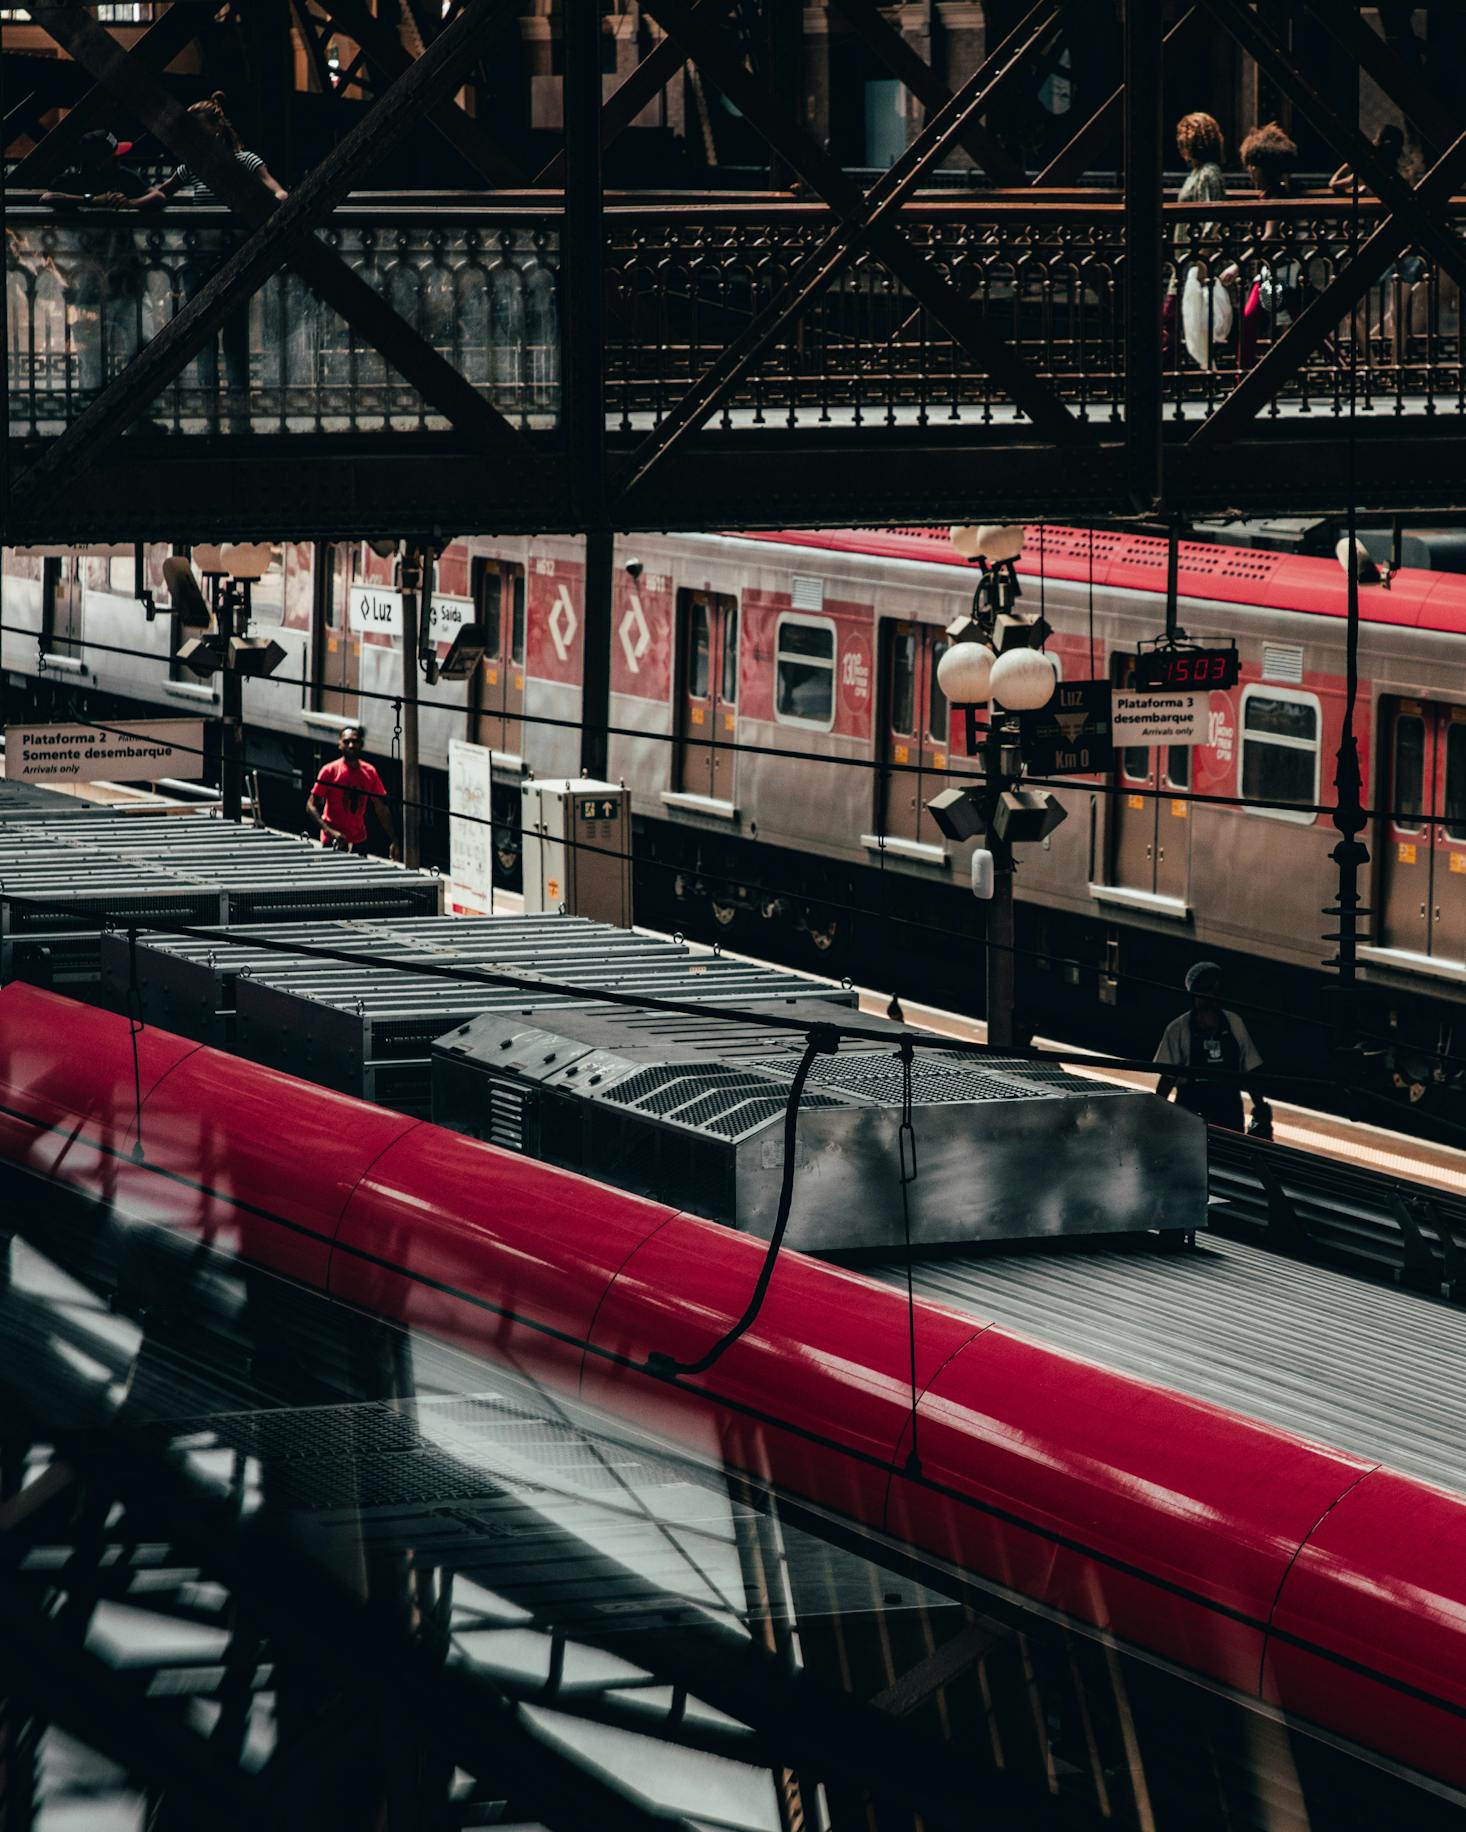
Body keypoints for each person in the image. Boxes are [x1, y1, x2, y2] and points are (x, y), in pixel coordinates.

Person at [157, 97, 286, 429]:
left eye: (198, 129)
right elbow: (162, 192)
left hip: (216, 259)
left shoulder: (242, 161)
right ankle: (228, 413)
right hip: (215, 259)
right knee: (220, 335)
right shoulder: (194, 165)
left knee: (218, 335)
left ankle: (223, 413)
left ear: (216, 129)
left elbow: (276, 190)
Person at [1154, 961, 1272, 1136]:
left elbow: (1249, 1072)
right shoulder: (1178, 1028)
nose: (1213, 994)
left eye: (1217, 988)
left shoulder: (1234, 1023)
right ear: (1195, 991)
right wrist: (1155, 1112)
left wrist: (1260, 1108)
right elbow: (1167, 1078)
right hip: (1191, 1109)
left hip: (1228, 1108)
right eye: (1208, 988)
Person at [1165, 112, 1229, 364]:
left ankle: (1171, 376)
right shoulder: (1198, 172)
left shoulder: (1208, 173)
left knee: (1173, 317)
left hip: (1195, 263)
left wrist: (1202, 262)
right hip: (1185, 262)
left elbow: (1213, 219)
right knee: (1176, 318)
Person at [307, 727, 399, 858]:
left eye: (355, 741)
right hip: (333, 840)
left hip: (359, 840)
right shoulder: (329, 771)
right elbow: (310, 806)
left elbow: (381, 808)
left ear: (361, 744)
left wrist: (394, 840)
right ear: (339, 744)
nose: (351, 745)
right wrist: (329, 831)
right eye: (346, 741)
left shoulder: (370, 772)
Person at [40, 130, 168, 210]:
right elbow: (47, 197)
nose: (118, 160)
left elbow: (159, 196)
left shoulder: (123, 174)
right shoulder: (74, 179)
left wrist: (131, 204)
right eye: (113, 158)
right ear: (99, 163)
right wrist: (92, 200)